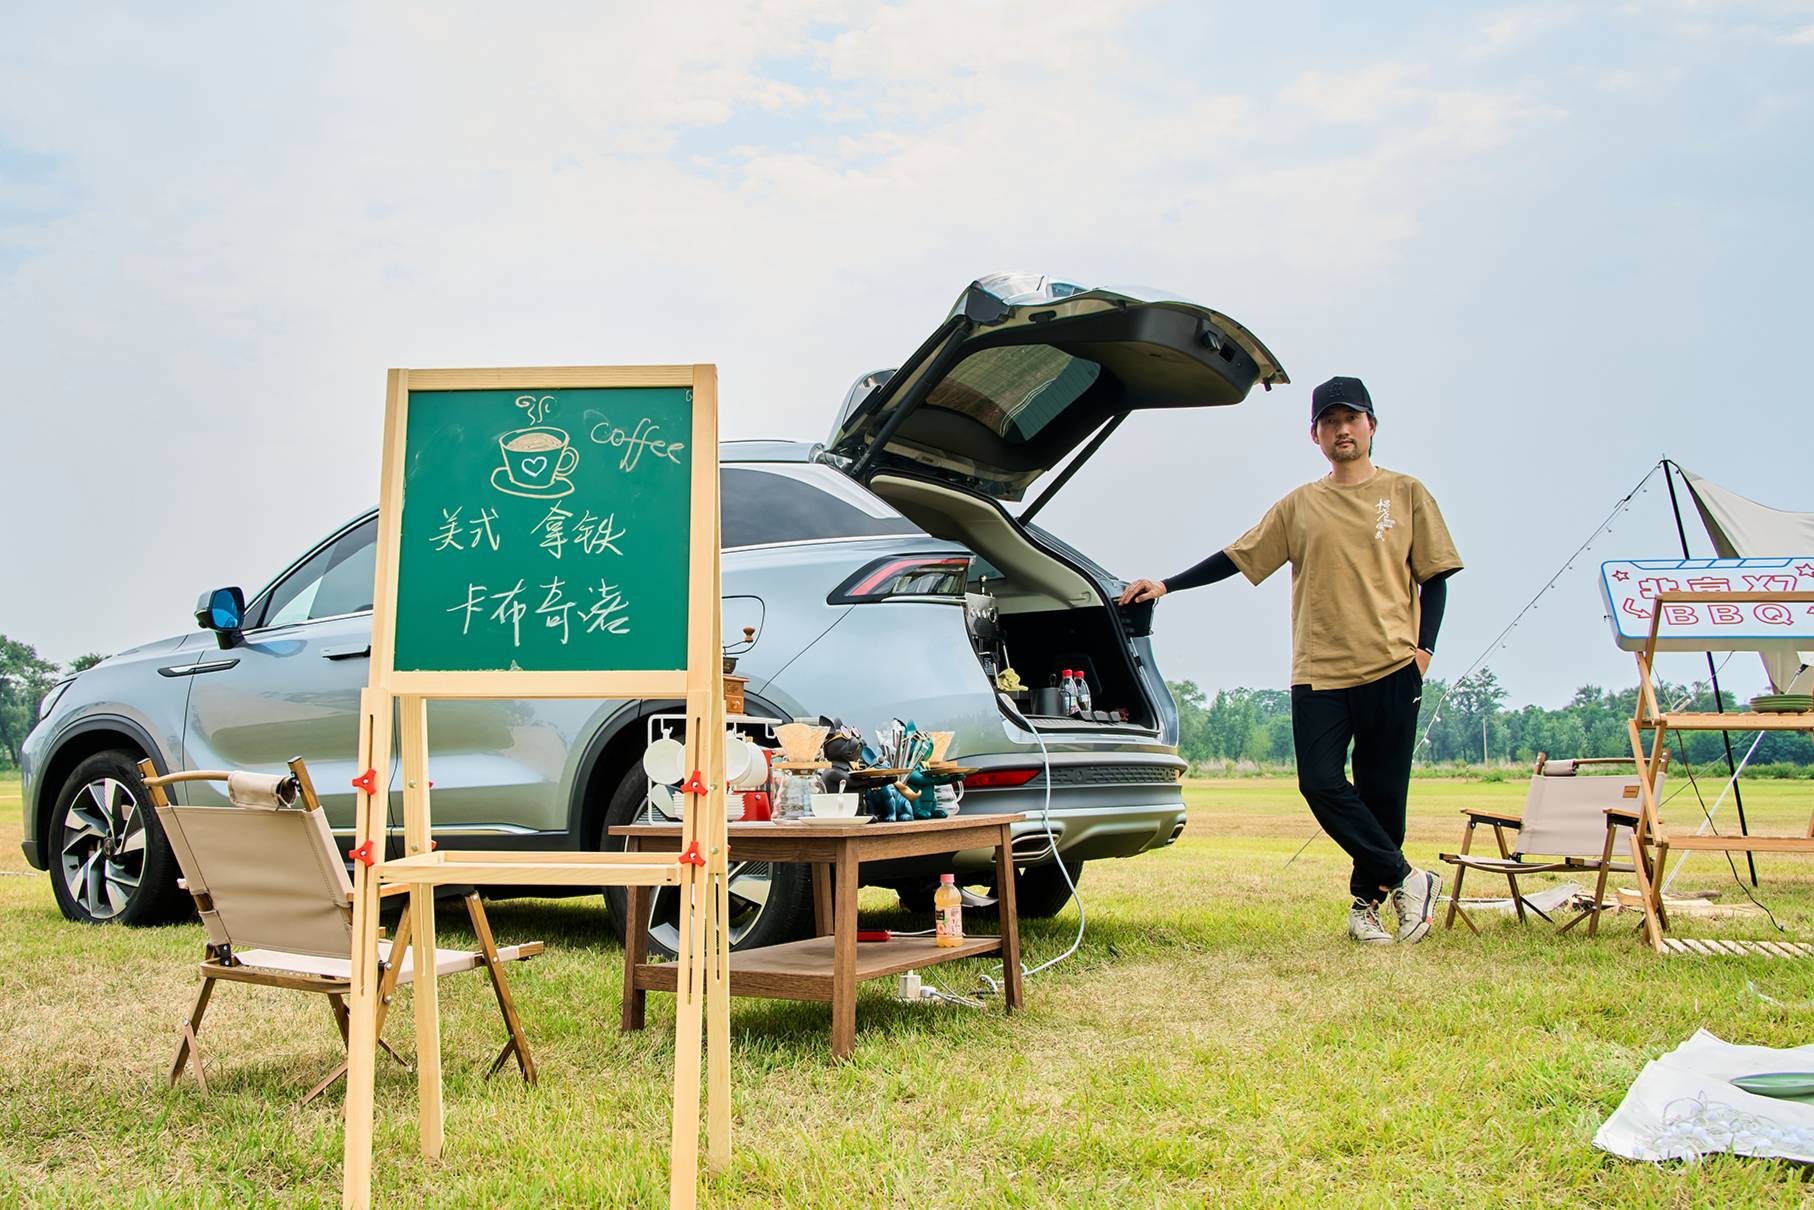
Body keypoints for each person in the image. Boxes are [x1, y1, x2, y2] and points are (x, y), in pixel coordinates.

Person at [1120, 376, 1462, 945]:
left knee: (1383, 797)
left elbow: (1437, 579)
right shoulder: (1301, 505)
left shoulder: (1406, 493)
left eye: (1351, 419)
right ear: (1315, 436)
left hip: (1391, 668)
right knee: (1320, 783)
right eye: (1330, 422)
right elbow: (1238, 555)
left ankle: (1366, 908)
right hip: (1319, 673)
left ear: (1372, 426)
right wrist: (1168, 584)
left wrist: (1424, 652)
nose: (1342, 429)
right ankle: (1409, 879)